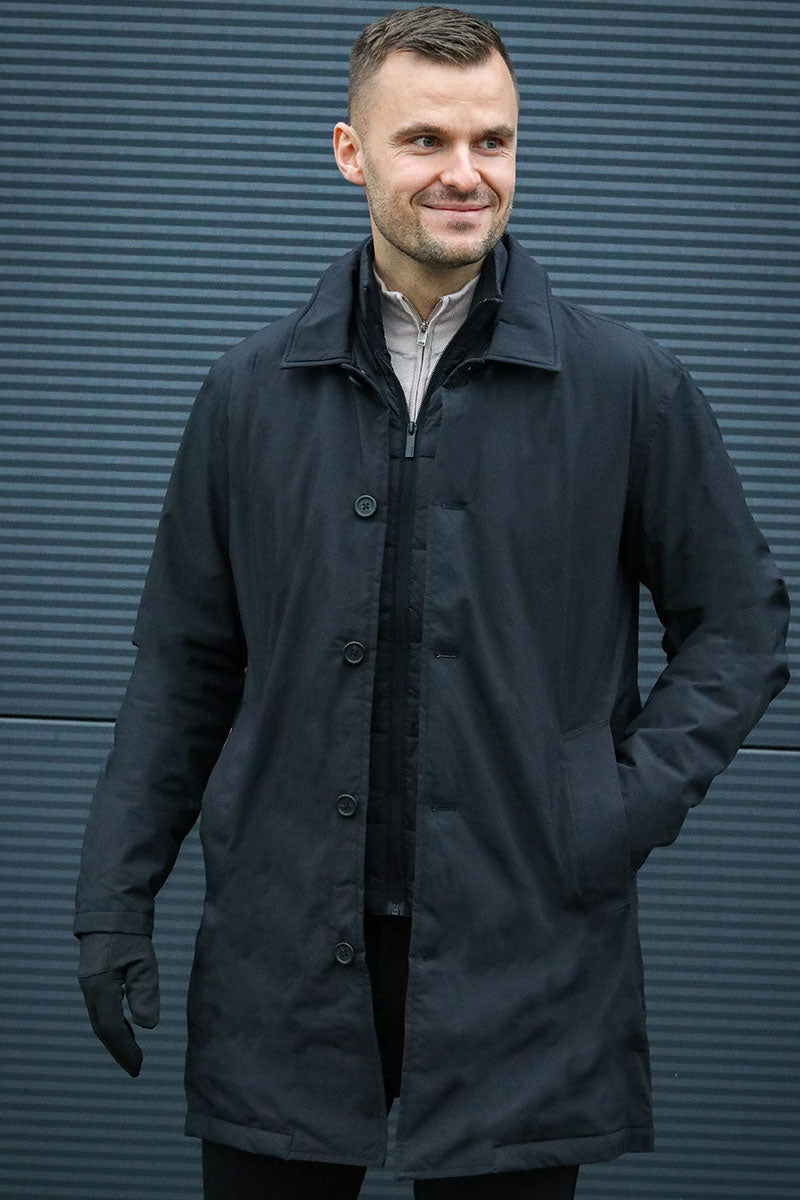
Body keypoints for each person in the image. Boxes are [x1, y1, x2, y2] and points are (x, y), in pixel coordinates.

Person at [74, 7, 790, 1199]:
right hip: (281, 953)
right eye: (425, 141)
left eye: (492, 141)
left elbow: (740, 622)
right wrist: (113, 897)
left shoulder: (623, 386)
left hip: (527, 953)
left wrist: (609, 807)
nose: (466, 173)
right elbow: (183, 666)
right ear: (349, 152)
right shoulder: (248, 394)